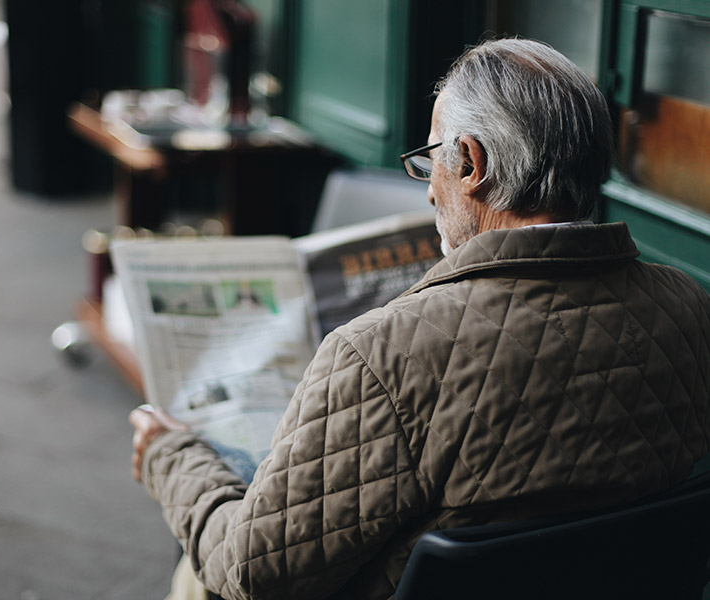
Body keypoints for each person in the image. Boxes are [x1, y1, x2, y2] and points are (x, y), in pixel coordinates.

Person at [128, 38, 710, 600]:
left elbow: (253, 574)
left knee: (201, 567)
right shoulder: (688, 307)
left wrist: (169, 455)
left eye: (432, 156)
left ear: (471, 163)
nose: (430, 192)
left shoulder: (381, 356)